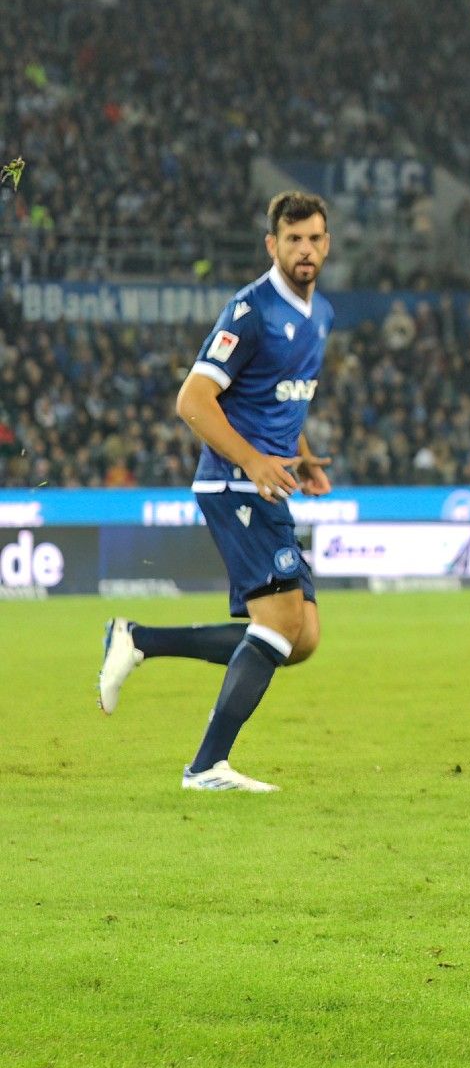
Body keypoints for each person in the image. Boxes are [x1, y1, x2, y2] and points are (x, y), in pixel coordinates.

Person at [98, 193, 336, 792]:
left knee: (299, 637)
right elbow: (192, 401)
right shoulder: (250, 311)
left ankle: (138, 639)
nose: (304, 249)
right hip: (235, 482)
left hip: (269, 482)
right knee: (280, 625)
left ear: (326, 243)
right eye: (292, 239)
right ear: (271, 245)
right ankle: (206, 766)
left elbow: (283, 397)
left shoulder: (321, 314)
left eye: (313, 238)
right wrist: (255, 460)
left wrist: (301, 458)